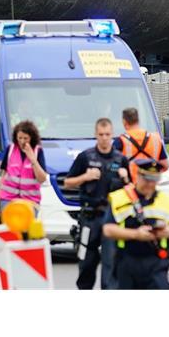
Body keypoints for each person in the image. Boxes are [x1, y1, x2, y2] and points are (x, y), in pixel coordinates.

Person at [64, 117, 130, 290]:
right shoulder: (86, 157)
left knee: (111, 262)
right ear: (96, 135)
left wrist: (125, 177)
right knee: (86, 262)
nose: (104, 138)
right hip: (90, 217)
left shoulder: (120, 159)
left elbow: (131, 189)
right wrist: (85, 177)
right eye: (101, 134)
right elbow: (68, 182)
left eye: (107, 134)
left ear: (112, 135)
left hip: (112, 218)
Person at [103, 158, 169, 290]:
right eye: (146, 179)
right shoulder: (120, 198)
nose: (150, 184)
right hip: (127, 261)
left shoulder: (167, 201)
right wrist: (136, 234)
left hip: (157, 262)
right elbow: (108, 229)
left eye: (154, 180)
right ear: (138, 176)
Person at [0, 120, 49, 214]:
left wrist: (33, 159)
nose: (22, 141)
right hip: (8, 199)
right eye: (19, 138)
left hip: (30, 201)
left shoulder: (38, 151)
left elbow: (42, 178)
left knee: (27, 228)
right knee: (10, 227)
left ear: (32, 138)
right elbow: (4, 176)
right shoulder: (10, 149)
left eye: (26, 138)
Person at [116, 107, 169, 182]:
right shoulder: (155, 138)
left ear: (124, 122)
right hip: (151, 185)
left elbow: (113, 165)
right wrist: (153, 174)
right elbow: (166, 165)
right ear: (138, 121)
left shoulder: (121, 141)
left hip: (130, 186)